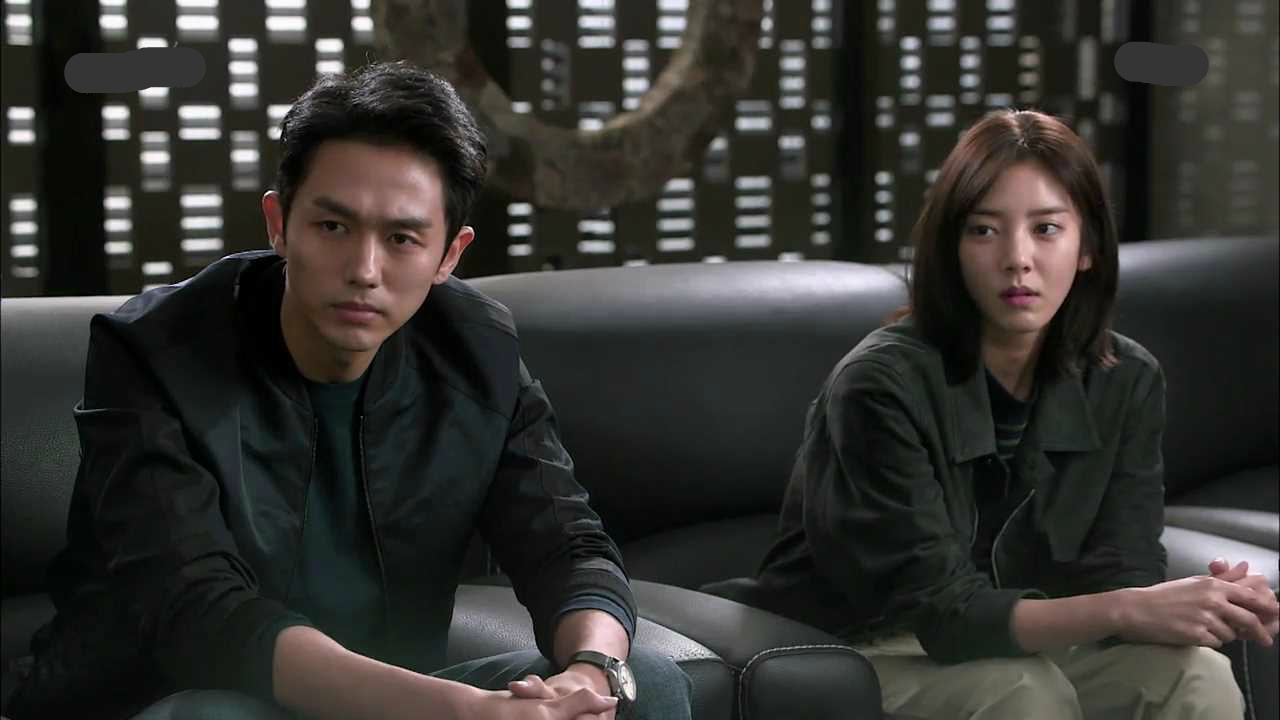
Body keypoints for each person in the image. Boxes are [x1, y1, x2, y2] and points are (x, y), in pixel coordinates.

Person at [3, 61, 692, 720]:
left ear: (449, 255)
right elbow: (200, 612)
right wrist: (455, 711)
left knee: (645, 688)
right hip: (174, 692)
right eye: (333, 226)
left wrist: (590, 673)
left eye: (402, 239)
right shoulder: (154, 351)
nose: (364, 269)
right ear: (279, 223)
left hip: (397, 699)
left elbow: (567, 546)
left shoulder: (477, 350)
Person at [703, 109, 1279, 719]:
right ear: (951, 249)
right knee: (1020, 691)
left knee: (1193, 675)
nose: (1017, 259)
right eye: (984, 230)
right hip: (863, 647)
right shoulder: (880, 384)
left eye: (1047, 228)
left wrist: (1205, 601)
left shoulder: (1125, 378)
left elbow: (1123, 569)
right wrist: (1126, 608)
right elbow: (940, 614)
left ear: (1087, 247)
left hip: (1032, 642)